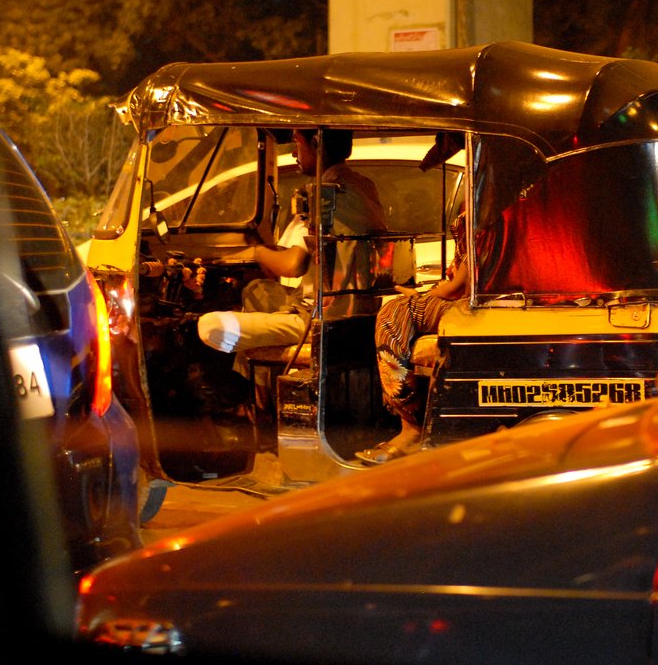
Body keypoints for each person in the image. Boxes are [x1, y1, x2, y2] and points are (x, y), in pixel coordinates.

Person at [197, 128, 387, 355]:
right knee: (256, 290)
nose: (294, 153)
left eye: (298, 143)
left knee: (210, 326)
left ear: (316, 143)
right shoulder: (361, 184)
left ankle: (262, 384)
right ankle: (262, 385)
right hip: (350, 311)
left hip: (322, 318)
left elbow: (293, 265)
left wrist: (255, 252)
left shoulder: (326, 194)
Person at [357, 131, 468, 465]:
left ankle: (410, 428)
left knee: (395, 313)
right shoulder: (488, 184)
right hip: (466, 294)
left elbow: (469, 275)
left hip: (472, 299)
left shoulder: (487, 190)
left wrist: (430, 294)